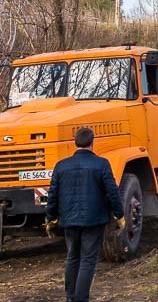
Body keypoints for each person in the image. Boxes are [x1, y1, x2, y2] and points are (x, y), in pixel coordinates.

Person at [45, 127, 126, 302]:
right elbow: (112, 192)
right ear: (92, 142)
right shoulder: (101, 164)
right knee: (88, 260)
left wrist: (50, 219)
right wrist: (119, 215)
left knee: (72, 257)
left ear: (75, 143)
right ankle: (81, 299)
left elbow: (52, 194)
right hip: (93, 220)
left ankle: (70, 297)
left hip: (69, 221)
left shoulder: (61, 166)